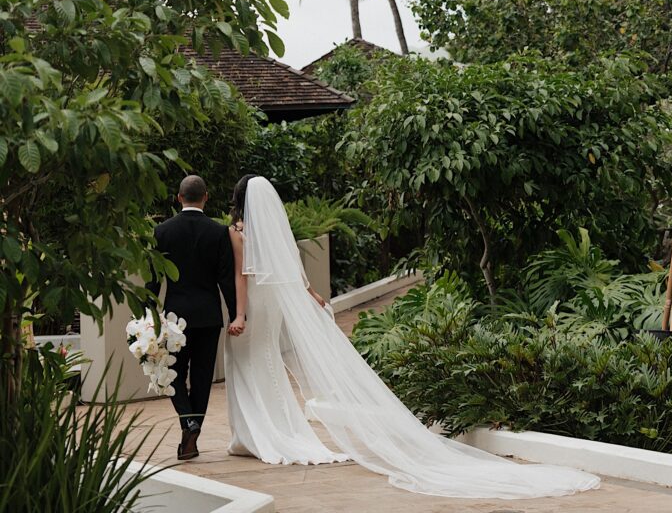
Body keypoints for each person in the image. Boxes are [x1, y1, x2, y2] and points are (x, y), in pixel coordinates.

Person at [222, 174, 601, 500]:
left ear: (239, 201)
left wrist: (239, 314)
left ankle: (258, 435)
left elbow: (242, 276)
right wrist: (316, 296)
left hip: (255, 302)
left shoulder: (237, 233)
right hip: (275, 304)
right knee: (268, 361)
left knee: (252, 363)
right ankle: (278, 431)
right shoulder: (274, 231)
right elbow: (294, 273)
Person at [148, 174, 236, 462]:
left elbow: (153, 278)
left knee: (170, 373)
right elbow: (226, 279)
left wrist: (148, 317)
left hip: (174, 319)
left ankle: (188, 421)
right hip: (209, 317)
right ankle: (192, 429)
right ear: (206, 197)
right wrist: (236, 314)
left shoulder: (162, 231)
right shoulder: (218, 232)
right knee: (201, 377)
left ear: (178, 197)